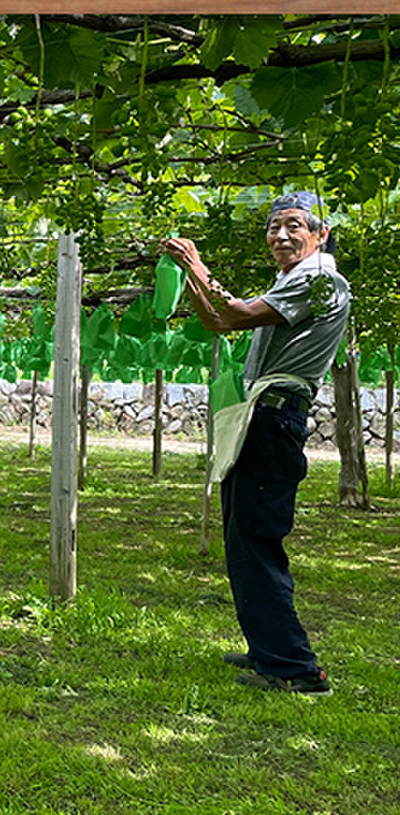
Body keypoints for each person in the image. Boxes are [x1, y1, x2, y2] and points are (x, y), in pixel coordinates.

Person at [164, 191, 350, 697]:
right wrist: (189, 276)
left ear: (321, 234)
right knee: (241, 537)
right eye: (273, 227)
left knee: (255, 538)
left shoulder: (320, 278)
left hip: (274, 419)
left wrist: (197, 263)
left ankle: (296, 668)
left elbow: (236, 313)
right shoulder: (289, 280)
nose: (281, 236)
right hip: (260, 419)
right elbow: (217, 320)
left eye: (294, 225)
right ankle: (267, 648)